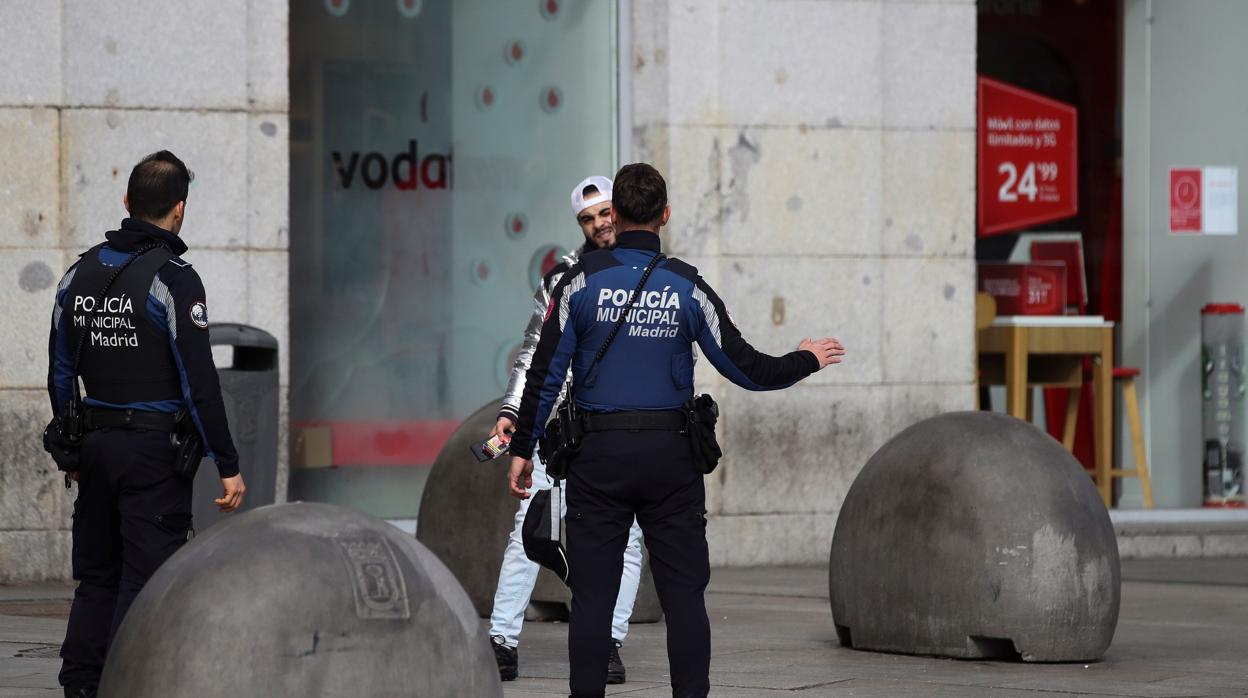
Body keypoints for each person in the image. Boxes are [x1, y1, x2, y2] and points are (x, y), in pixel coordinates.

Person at [506, 163, 845, 698]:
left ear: (614, 215)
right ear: (665, 215)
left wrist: (522, 448)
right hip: (671, 461)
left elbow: (546, 376)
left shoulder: (579, 283)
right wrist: (805, 359)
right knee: (684, 596)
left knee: (593, 597)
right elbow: (747, 369)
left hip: (598, 457)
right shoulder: (687, 287)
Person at [47, 151, 246, 698]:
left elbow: (61, 375)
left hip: (96, 448)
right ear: (179, 210)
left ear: (128, 202)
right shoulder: (176, 280)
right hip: (152, 457)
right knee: (147, 579)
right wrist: (227, 464)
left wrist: (73, 456)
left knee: (97, 578)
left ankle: (81, 685)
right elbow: (199, 383)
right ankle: (127, 684)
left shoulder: (77, 273)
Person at [487, 176, 643, 684]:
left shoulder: (649, 271)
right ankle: (501, 641)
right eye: (588, 217)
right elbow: (534, 351)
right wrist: (513, 411)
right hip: (563, 426)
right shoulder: (560, 280)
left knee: (628, 538)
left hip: (624, 426)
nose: (600, 224)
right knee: (531, 529)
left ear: (621, 211)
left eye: (606, 213)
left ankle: (608, 643)